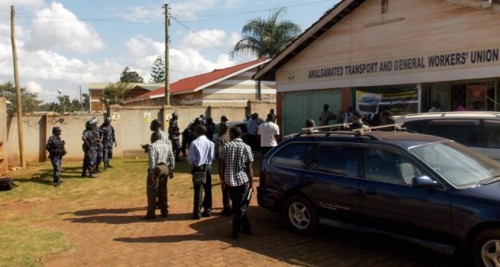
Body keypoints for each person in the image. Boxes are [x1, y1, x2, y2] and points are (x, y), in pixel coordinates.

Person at [219, 126, 254, 239]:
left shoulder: (226, 146)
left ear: (231, 135)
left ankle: (237, 230)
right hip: (243, 180)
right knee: (240, 206)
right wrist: (251, 184)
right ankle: (246, 228)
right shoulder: (247, 147)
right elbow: (249, 167)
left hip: (229, 181)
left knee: (238, 206)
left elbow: (222, 165)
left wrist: (222, 180)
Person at [142, 131, 175, 220]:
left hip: (156, 169)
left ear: (154, 138)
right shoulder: (167, 146)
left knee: (152, 190)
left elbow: (152, 160)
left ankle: (151, 212)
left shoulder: (152, 146)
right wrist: (171, 170)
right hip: (165, 168)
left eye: (151, 138)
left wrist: (152, 172)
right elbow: (172, 157)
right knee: (163, 190)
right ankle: (164, 211)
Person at [187, 124, 215, 219]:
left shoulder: (194, 143)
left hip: (198, 168)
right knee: (208, 189)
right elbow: (212, 157)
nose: (193, 132)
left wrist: (195, 163)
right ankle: (208, 210)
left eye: (195, 130)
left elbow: (191, 159)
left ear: (199, 131)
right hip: (208, 167)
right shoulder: (211, 143)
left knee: (198, 190)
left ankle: (197, 212)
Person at [214, 123, 232, 216]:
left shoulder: (220, 139)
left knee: (225, 187)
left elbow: (219, 154)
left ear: (222, 129)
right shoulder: (231, 138)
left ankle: (227, 208)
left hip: (224, 166)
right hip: (233, 165)